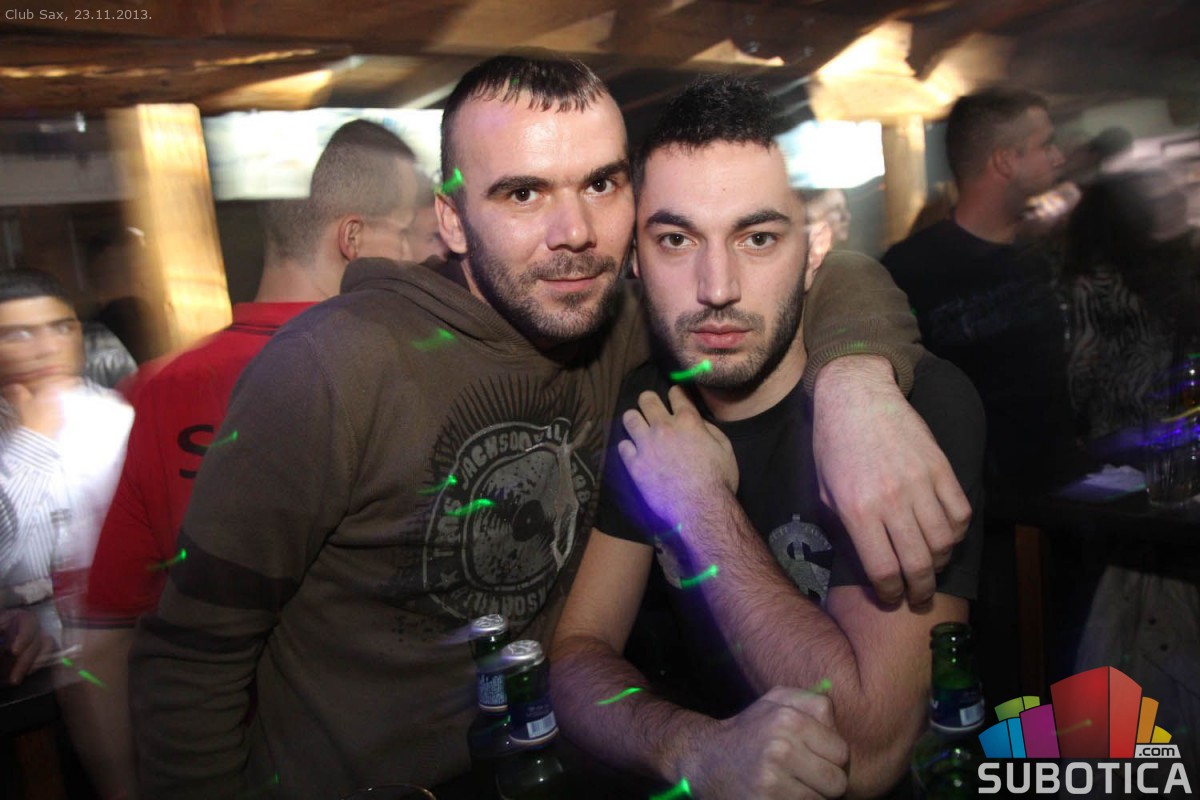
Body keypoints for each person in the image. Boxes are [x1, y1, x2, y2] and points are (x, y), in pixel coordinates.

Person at [128, 53, 967, 798]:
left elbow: (823, 270)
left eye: (600, 185)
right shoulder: (329, 369)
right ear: (450, 219)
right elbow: (191, 659)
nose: (574, 234)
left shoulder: (621, 322)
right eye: (523, 193)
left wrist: (857, 385)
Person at [550, 75, 985, 799]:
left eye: (757, 238)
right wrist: (689, 747)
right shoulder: (652, 403)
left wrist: (699, 507)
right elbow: (574, 655)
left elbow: (866, 753)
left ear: (814, 251)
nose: (717, 286)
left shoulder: (912, 411)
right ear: (634, 259)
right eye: (676, 240)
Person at [67, 119, 420, 800]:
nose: (422, 257)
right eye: (408, 233)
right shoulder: (396, 374)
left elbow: (102, 642)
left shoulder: (157, 390)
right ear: (352, 239)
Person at [883, 87, 1079, 491]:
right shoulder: (908, 269)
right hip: (973, 509)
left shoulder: (1050, 252)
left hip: (1066, 496)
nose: (1058, 157)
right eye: (1045, 145)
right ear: (1005, 161)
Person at [0, 269, 133, 675]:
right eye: (18, 334)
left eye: (61, 327)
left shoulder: (125, 418)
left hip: (128, 658)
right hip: (29, 676)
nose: (46, 348)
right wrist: (32, 443)